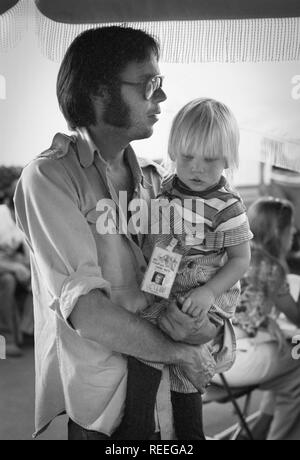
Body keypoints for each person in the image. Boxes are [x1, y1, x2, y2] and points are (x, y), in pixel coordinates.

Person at [14, 27, 221, 440]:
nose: (161, 97)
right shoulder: (51, 178)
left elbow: (183, 274)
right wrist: (180, 351)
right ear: (99, 92)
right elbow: (86, 310)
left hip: (171, 400)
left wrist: (199, 321)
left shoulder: (156, 179)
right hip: (107, 411)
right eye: (149, 84)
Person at [114, 98, 252, 440]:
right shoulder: (165, 188)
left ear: (228, 159)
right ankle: (138, 426)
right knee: (145, 342)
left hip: (206, 291)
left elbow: (240, 259)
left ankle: (191, 433)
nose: (197, 168)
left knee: (187, 375)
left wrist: (208, 293)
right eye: (187, 156)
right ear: (174, 149)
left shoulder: (227, 205)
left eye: (210, 160)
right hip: (166, 284)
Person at [215, 197, 300, 440]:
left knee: (289, 358)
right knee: (298, 357)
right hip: (234, 360)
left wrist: (265, 321)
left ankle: (258, 429)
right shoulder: (271, 267)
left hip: (207, 359)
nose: (294, 231)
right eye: (290, 226)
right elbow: (297, 318)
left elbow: (239, 308)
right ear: (277, 232)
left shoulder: (230, 254)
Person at [0, 166, 31, 356]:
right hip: (4, 267)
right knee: (7, 281)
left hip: (16, 264)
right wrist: (12, 266)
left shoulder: (26, 216)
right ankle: (7, 338)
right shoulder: (1, 214)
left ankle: (27, 331)